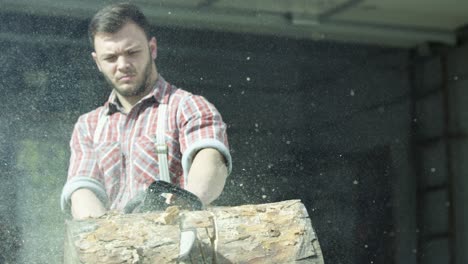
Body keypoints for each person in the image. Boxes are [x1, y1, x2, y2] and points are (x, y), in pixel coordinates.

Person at [60, 3, 231, 219]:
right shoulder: (88, 126)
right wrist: (104, 234)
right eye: (111, 58)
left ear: (152, 49)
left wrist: (182, 205)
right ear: (97, 62)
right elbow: (82, 190)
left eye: (132, 52)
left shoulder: (189, 107)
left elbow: (211, 161)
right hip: (114, 246)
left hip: (178, 240)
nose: (122, 64)